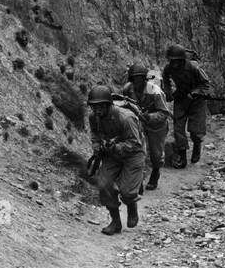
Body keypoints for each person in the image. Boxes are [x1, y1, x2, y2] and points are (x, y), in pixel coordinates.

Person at [86, 84, 146, 235]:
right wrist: (97, 146)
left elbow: (135, 143)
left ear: (107, 104)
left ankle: (131, 205)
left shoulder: (126, 118)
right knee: (104, 185)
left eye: (100, 106)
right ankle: (115, 222)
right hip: (112, 155)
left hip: (134, 155)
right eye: (94, 107)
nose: (97, 110)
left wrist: (115, 147)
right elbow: (95, 134)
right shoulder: (94, 117)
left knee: (127, 192)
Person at [124, 62, 171, 192]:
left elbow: (164, 113)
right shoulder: (128, 89)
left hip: (157, 126)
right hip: (139, 124)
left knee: (156, 154)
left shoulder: (154, 91)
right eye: (134, 78)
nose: (137, 81)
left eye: (140, 78)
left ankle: (155, 173)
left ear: (144, 78)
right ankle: (138, 181)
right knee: (137, 152)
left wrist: (150, 116)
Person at [161, 43, 210, 166]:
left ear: (183, 59)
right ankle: (182, 156)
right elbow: (165, 78)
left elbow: (205, 84)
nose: (175, 64)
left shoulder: (194, 67)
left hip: (197, 101)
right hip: (181, 98)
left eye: (178, 61)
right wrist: (168, 92)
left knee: (196, 129)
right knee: (178, 128)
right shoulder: (169, 68)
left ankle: (197, 147)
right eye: (172, 61)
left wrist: (195, 92)